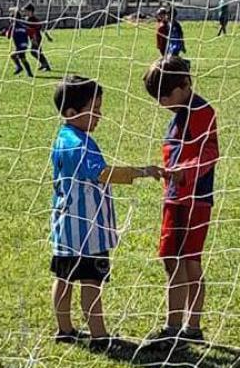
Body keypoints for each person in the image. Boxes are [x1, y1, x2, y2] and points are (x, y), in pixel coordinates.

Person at [50, 76, 162, 352]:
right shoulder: (80, 144)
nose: (100, 115)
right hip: (88, 232)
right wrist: (142, 171)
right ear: (72, 113)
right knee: (91, 282)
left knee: (63, 279)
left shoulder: (63, 137)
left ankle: (64, 330)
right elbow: (102, 173)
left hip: (65, 229)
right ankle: (99, 336)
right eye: (95, 110)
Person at [141, 56, 219, 352]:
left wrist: (185, 170)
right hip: (174, 198)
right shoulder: (178, 111)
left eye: (166, 96)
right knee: (170, 259)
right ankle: (175, 326)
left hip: (195, 200)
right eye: (157, 98)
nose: (162, 103)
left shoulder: (201, 111)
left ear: (185, 85)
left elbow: (210, 152)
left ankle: (188, 327)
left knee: (189, 262)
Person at [24, 3, 51, 71]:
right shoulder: (27, 19)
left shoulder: (34, 20)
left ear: (30, 11)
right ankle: (44, 64)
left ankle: (45, 65)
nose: (25, 13)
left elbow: (41, 28)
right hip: (33, 38)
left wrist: (46, 37)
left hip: (36, 38)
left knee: (33, 52)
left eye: (26, 11)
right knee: (38, 52)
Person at [9, 9, 33, 77]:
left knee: (13, 55)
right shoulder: (23, 25)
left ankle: (19, 67)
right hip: (25, 44)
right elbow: (29, 32)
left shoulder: (13, 26)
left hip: (19, 45)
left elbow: (8, 35)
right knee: (22, 58)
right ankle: (29, 73)